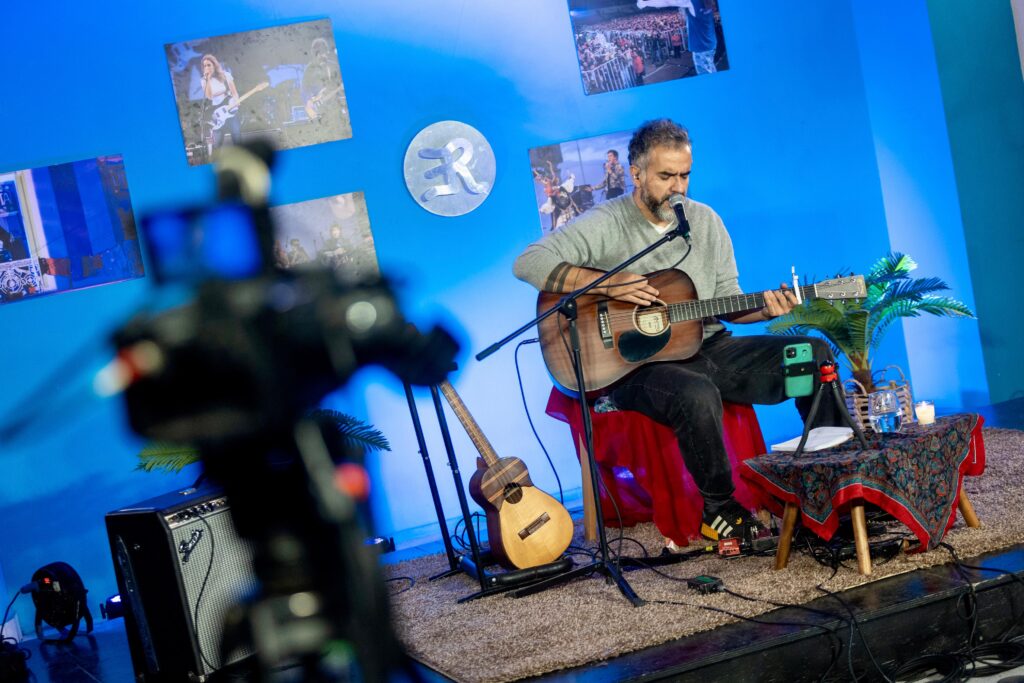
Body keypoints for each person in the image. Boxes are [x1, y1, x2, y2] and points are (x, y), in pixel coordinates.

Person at [513, 119, 842, 543]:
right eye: (666, 176)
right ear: (636, 174)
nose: (678, 187)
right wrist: (608, 284)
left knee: (812, 355)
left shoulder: (705, 222)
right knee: (694, 392)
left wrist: (767, 309)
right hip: (632, 368)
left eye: (685, 175)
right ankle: (719, 510)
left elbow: (728, 302)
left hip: (706, 346)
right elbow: (528, 262)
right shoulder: (605, 223)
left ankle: (835, 485)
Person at [200, 54, 242, 149]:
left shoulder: (226, 75)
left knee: (237, 139)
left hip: (230, 111)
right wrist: (208, 79)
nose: (206, 67)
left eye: (209, 65)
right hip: (217, 115)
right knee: (216, 145)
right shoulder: (204, 80)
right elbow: (210, 97)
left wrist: (236, 101)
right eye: (204, 65)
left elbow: (234, 92)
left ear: (214, 65)